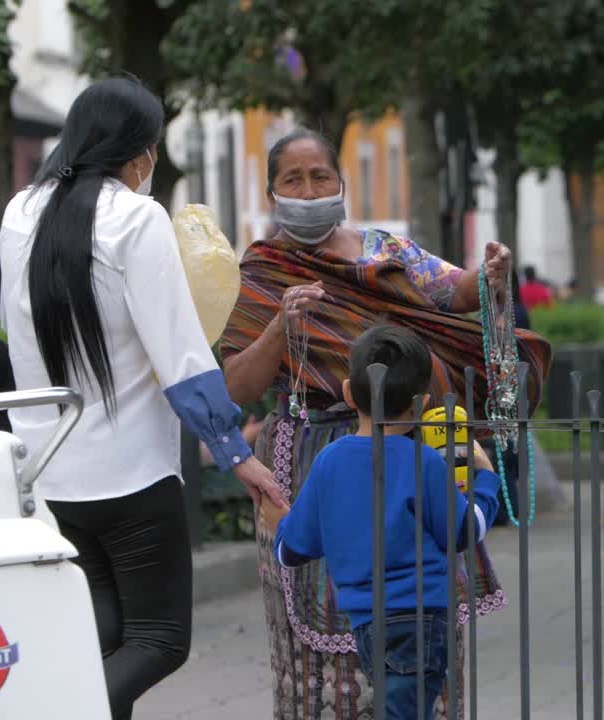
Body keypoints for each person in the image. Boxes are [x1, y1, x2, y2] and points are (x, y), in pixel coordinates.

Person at [219, 127, 550, 720]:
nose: (309, 188)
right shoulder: (259, 273)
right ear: (272, 192)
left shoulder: (384, 251)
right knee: (318, 621)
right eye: (292, 179)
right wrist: (280, 324)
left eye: (319, 175)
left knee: (414, 608)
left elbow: (452, 292)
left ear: (340, 182)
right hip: (308, 454)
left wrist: (491, 273)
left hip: (404, 437)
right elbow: (235, 387)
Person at [0, 77, 283, 720]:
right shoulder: (135, 217)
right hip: (130, 475)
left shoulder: (19, 213)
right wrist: (238, 455)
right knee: (158, 639)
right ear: (141, 153)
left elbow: (13, 338)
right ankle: (55, 710)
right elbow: (181, 356)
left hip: (45, 475)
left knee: (102, 635)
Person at [269, 326, 502, 720]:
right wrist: (486, 480)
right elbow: (462, 532)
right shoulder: (423, 461)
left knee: (399, 707)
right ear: (424, 403)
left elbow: (292, 550)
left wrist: (279, 524)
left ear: (347, 393)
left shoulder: (328, 461)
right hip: (422, 616)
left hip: (366, 620)